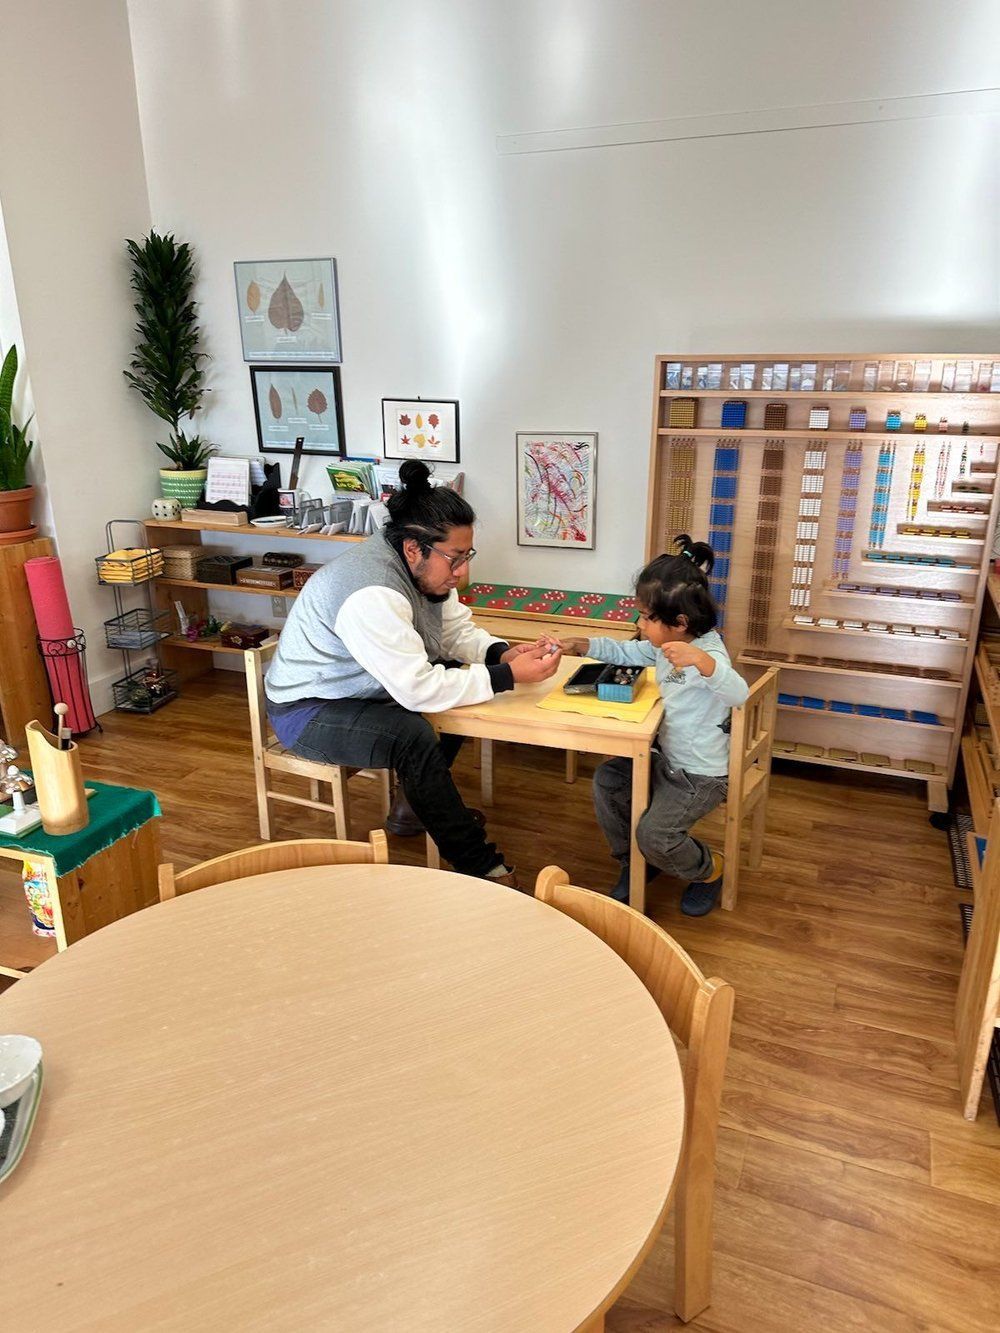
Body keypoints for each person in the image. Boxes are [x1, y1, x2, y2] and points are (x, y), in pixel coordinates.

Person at [264, 459, 561, 888]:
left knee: (462, 692)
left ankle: (411, 808)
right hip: (307, 711)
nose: (463, 571)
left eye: (467, 556)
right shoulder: (371, 593)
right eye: (455, 559)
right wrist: (508, 676)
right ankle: (479, 865)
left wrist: (501, 654)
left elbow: (455, 628)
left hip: (359, 689)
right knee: (414, 735)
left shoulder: (423, 572)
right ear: (413, 549)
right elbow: (418, 691)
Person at [554, 535, 748, 915]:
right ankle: (637, 862)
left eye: (645, 617)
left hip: (700, 775)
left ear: (679, 623)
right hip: (666, 760)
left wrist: (703, 664)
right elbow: (630, 650)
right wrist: (584, 644)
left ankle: (709, 870)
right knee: (608, 780)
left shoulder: (707, 652)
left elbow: (738, 692)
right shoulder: (666, 645)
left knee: (656, 834)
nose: (640, 625)